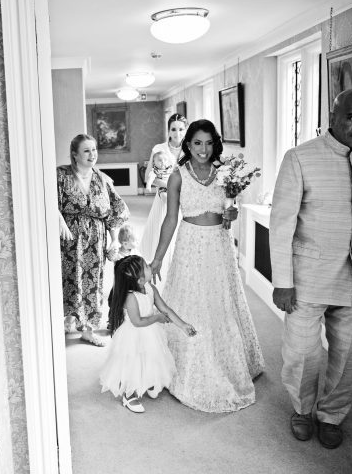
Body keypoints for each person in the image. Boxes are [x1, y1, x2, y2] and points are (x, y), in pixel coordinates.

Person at [270, 88, 352, 449]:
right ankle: (303, 409)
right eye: (351, 117)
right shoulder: (299, 157)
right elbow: (282, 223)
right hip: (307, 278)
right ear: (334, 116)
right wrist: (282, 281)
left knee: (346, 353)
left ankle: (332, 414)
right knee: (302, 352)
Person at [150, 119, 265, 412]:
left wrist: (231, 214)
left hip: (218, 245)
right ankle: (191, 367)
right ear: (187, 144)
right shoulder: (178, 176)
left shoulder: (225, 173)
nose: (203, 149)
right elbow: (171, 219)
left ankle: (230, 363)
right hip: (190, 244)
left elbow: (227, 215)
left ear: (215, 144)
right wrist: (158, 257)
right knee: (193, 304)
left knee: (221, 303)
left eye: (208, 143)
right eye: (197, 143)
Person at [58, 134, 129, 346]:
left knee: (92, 283)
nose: (93, 155)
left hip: (95, 241)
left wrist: (114, 240)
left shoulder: (102, 178)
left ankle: (88, 330)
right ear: (75, 154)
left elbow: (116, 211)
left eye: (94, 150)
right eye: (87, 151)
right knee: (68, 281)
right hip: (68, 241)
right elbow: (46, 201)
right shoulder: (61, 175)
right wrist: (59, 220)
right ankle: (66, 320)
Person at [100, 255, 196, 413]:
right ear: (138, 279)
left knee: (152, 357)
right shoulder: (130, 297)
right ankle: (129, 394)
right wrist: (157, 317)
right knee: (134, 363)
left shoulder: (151, 288)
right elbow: (137, 322)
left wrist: (183, 325)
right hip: (133, 335)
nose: (150, 267)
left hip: (151, 332)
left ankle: (149, 381)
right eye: (146, 267)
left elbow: (165, 308)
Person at [139, 113, 187, 281]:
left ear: (186, 130)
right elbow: (148, 178)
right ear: (168, 130)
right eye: (173, 129)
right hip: (164, 200)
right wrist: (170, 187)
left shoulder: (191, 149)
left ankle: (180, 278)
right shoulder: (159, 148)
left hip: (186, 201)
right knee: (163, 237)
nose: (177, 133)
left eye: (181, 129)